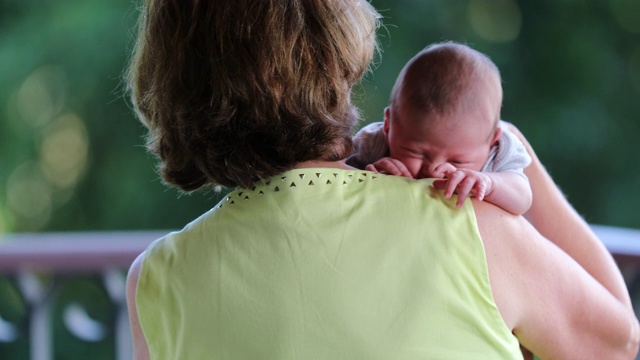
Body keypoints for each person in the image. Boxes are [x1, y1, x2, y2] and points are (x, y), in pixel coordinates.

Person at [124, 1, 639, 359]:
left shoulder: (155, 280)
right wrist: (507, 147)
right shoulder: (465, 222)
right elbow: (618, 343)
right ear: (335, 53)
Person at [347, 42, 532, 214]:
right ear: (388, 126)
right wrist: (366, 179)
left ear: (492, 142)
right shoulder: (371, 143)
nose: (434, 170)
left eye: (458, 162)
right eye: (416, 153)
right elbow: (333, 181)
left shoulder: (500, 152)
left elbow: (523, 197)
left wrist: (490, 183)